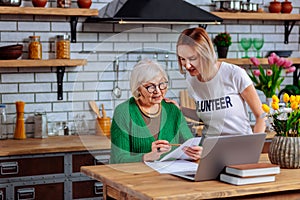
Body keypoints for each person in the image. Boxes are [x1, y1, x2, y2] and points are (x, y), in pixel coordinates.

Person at [176, 27, 265, 136]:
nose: (187, 65)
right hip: (210, 146)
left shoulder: (234, 74)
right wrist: (180, 109)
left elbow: (261, 116)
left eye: (192, 58)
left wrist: (254, 144)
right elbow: (207, 116)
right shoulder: (192, 80)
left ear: (206, 53)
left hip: (241, 145)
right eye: (182, 59)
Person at [110, 58, 202, 164]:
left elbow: (189, 143)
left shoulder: (172, 109)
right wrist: (148, 156)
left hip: (168, 177)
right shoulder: (123, 112)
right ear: (138, 88)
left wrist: (198, 151)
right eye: (150, 86)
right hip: (136, 178)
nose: (158, 91)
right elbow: (118, 159)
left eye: (162, 84)